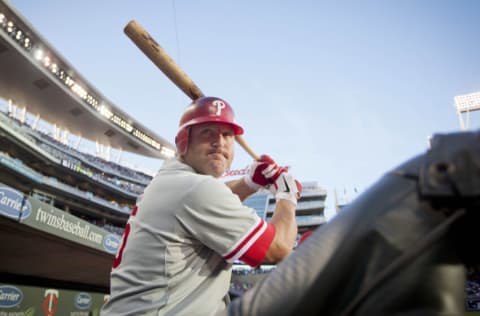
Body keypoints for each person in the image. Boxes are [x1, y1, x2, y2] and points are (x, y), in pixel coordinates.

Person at [100, 96, 301, 316]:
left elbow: (213, 199)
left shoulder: (174, 182)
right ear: (183, 141)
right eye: (208, 132)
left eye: (227, 135)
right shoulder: (195, 189)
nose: (220, 142)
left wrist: (250, 183)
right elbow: (277, 248)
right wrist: (287, 196)